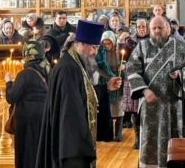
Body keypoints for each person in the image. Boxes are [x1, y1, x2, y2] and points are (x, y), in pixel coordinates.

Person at [36, 20, 122, 168]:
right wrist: (78, 150)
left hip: (71, 142)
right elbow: (70, 113)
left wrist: (105, 88)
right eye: (93, 47)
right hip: (70, 146)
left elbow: (83, 95)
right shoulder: (68, 69)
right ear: (82, 44)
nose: (95, 52)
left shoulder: (76, 63)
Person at [126, 16, 185, 168]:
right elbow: (131, 69)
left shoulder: (180, 46)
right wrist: (144, 90)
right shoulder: (142, 47)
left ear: (168, 29)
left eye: (160, 28)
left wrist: (180, 74)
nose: (157, 31)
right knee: (149, 138)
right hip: (150, 105)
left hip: (173, 104)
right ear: (150, 30)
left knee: (173, 137)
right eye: (154, 28)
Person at [5, 41, 50, 168]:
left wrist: (8, 82)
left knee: (27, 154)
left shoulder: (25, 74)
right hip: (45, 118)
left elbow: (11, 97)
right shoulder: (48, 70)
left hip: (26, 121)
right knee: (40, 152)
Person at [123, 18, 150, 149]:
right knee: (135, 111)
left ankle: (147, 137)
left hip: (148, 78)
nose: (141, 29)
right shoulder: (130, 42)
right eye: (139, 27)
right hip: (134, 78)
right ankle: (138, 138)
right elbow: (124, 58)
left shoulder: (152, 40)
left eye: (143, 27)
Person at [95, 31, 125, 142]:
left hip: (119, 79)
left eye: (109, 43)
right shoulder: (100, 52)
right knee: (108, 108)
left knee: (119, 106)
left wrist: (124, 66)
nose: (107, 46)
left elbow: (127, 60)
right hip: (106, 80)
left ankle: (118, 132)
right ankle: (108, 132)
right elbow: (98, 67)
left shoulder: (119, 50)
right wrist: (109, 77)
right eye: (105, 44)